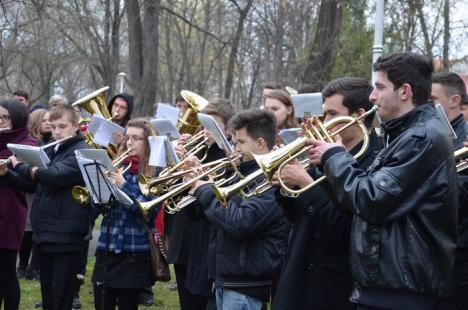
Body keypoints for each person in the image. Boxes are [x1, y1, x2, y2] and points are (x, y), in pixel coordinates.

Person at [307, 52, 458, 309]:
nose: (372, 96)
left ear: (405, 91)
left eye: (379, 87)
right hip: (388, 288)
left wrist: (333, 157)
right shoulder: (407, 134)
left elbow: (371, 199)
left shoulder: (420, 138)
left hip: (399, 292)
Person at [272, 77, 382, 309]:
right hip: (299, 275)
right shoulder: (321, 152)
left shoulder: (375, 161)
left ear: (359, 114)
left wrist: (305, 184)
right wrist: (285, 186)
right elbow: (298, 218)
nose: (325, 121)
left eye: (332, 114)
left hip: (332, 288)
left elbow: (346, 231)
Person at [188, 109, 289, 310]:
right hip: (226, 278)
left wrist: (206, 191)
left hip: (246, 284)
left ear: (260, 143)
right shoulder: (240, 172)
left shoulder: (273, 179)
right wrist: (198, 186)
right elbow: (210, 217)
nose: (235, 148)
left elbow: (241, 222)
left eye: (240, 142)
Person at [3, 105, 91, 310]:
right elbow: (34, 185)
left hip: (67, 234)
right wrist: (6, 175)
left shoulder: (82, 151)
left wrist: (20, 166)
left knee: (61, 297)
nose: (57, 132)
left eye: (62, 126)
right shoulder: (53, 148)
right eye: (52, 127)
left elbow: (54, 177)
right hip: (46, 233)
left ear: (76, 126)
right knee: (49, 296)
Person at [91, 118, 160, 310]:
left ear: (148, 142)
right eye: (127, 137)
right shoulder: (114, 166)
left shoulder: (155, 173)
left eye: (136, 138)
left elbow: (149, 211)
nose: (129, 142)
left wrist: (124, 185)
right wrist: (98, 189)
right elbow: (98, 209)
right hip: (107, 247)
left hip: (134, 252)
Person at [182, 99, 236, 309]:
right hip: (197, 235)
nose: (206, 131)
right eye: (205, 125)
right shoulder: (200, 151)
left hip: (217, 236)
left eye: (212, 125)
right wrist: (182, 169)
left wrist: (204, 180)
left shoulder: (231, 155)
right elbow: (191, 210)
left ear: (228, 128)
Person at [431, 72, 468, 309]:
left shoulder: (463, 139)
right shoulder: (432, 134)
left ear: (454, 101)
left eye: (431, 99)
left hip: (457, 255)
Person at [0, 99, 37, 310]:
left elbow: (30, 185)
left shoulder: (26, 144)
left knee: (6, 272)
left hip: (9, 213)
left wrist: (5, 175)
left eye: (4, 117)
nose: (0, 121)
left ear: (17, 119)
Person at [16, 108, 52, 281]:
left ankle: (33, 267)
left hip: (44, 189)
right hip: (30, 189)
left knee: (38, 231)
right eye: (44, 120)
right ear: (37, 121)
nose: (48, 123)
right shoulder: (30, 142)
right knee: (27, 230)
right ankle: (22, 265)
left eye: (49, 120)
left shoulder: (53, 142)